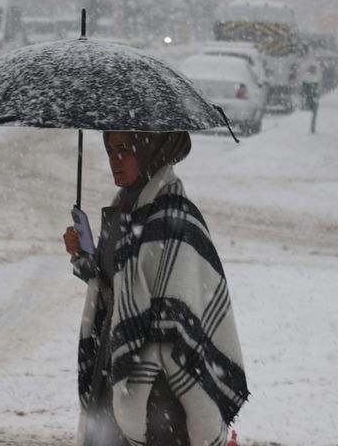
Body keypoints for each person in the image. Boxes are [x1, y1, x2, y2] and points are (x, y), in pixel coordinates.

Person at [62, 132, 248, 446]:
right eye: (110, 149)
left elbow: (178, 307)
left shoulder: (173, 213)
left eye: (124, 149)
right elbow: (115, 287)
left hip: (161, 382)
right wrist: (84, 257)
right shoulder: (127, 206)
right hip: (117, 363)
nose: (114, 160)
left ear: (151, 148)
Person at [298, 43, 322, 134]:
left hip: (311, 83)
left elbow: (314, 70)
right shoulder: (304, 59)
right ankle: (311, 124)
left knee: (310, 104)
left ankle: (312, 125)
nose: (301, 52)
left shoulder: (310, 60)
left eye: (303, 50)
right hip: (308, 82)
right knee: (309, 104)